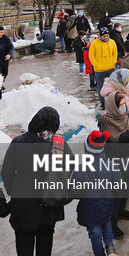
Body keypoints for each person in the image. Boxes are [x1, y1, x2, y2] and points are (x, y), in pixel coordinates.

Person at [1, 107, 73, 256]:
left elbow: (7, 173)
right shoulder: (58, 145)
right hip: (49, 207)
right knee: (44, 249)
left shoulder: (18, 142)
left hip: (23, 208)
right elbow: (72, 169)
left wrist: (13, 192)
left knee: (24, 247)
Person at [98, 91, 129, 238]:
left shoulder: (126, 116)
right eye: (121, 105)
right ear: (113, 106)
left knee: (126, 188)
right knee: (116, 193)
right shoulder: (105, 120)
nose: (124, 108)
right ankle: (112, 223)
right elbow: (114, 142)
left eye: (125, 104)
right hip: (115, 160)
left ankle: (121, 211)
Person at [74, 130, 121, 256]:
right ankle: (110, 247)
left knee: (95, 233)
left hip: (90, 209)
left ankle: (99, 253)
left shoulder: (80, 169)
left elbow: (75, 192)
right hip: (107, 205)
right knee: (107, 223)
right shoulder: (112, 165)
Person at [90, 27, 118, 108]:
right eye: (104, 36)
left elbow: (115, 53)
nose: (106, 38)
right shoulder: (94, 43)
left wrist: (113, 61)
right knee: (100, 86)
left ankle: (112, 101)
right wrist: (96, 64)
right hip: (99, 69)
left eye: (107, 36)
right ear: (100, 36)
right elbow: (91, 55)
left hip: (110, 68)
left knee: (113, 85)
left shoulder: (112, 42)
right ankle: (102, 102)